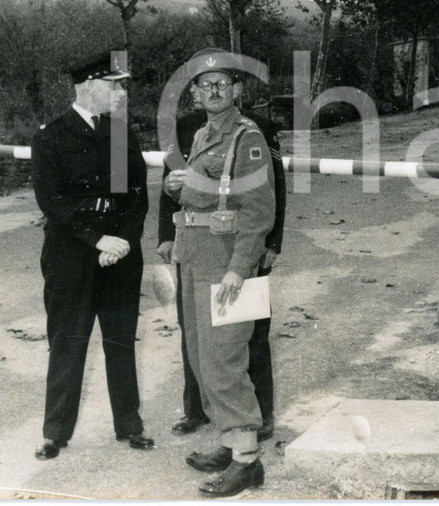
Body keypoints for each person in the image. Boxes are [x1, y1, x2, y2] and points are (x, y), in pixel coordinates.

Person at [163, 48, 276, 497]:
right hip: (196, 257)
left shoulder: (247, 138)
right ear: (194, 93)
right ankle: (232, 445)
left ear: (237, 92)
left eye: (222, 85)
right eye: (204, 85)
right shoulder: (203, 134)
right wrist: (180, 187)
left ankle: (248, 461)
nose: (213, 91)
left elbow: (258, 212)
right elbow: (208, 191)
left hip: (227, 263)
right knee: (202, 356)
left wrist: (237, 270)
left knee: (226, 358)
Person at [31, 50, 152, 460]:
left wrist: (122, 242)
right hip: (73, 255)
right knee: (67, 341)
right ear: (87, 87)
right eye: (113, 84)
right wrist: (97, 240)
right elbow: (53, 201)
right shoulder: (51, 135)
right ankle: (55, 432)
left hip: (119, 253)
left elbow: (136, 197)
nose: (121, 92)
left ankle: (130, 425)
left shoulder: (120, 133)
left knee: (120, 340)